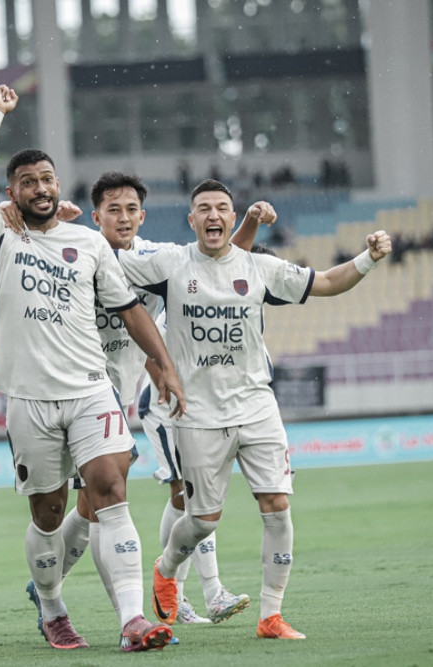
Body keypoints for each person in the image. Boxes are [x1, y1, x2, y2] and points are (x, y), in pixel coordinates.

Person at [0, 84, 184, 653]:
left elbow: (129, 308)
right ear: (12, 192)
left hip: (90, 389)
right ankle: (53, 607)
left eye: (47, 179)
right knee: (49, 513)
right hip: (29, 398)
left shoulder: (87, 242)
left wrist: (163, 366)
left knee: (111, 491)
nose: (40, 188)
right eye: (27, 182)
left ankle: (133, 621)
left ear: (59, 185)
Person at [117, 179, 392, 641]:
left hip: (256, 405)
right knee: (202, 520)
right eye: (204, 208)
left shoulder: (259, 267)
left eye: (222, 208)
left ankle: (271, 616)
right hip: (198, 413)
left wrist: (368, 258)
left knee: (277, 505)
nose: (213, 215)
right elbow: (106, 262)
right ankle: (166, 568)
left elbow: (326, 282)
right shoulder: (170, 264)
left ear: (232, 217)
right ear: (191, 220)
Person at [25, 172, 272, 631]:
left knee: (97, 504)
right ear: (96, 216)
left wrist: (251, 223)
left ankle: (81, 595)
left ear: (142, 216)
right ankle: (99, 602)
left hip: (114, 395)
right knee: (86, 505)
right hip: (67, 390)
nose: (123, 218)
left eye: (131, 210)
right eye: (113, 210)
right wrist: (49, 226)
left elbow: (219, 264)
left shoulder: (156, 258)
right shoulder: (72, 250)